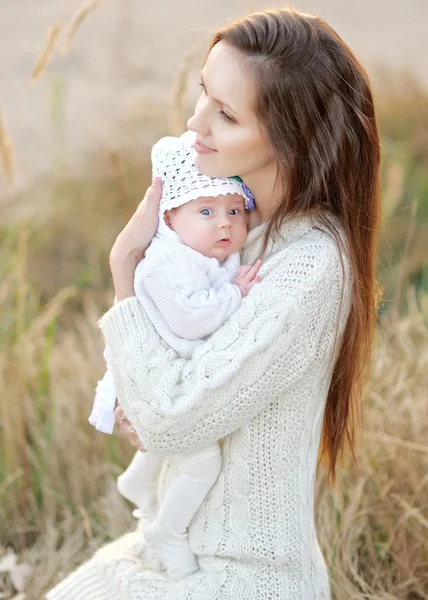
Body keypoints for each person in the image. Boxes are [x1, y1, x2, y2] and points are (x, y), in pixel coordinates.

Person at [46, 6, 381, 600]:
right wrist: (140, 404)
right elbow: (162, 406)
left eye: (225, 115)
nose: (195, 123)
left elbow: (171, 419)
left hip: (242, 574)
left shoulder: (310, 264)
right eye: (204, 92)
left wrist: (125, 271)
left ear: (289, 139)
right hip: (173, 550)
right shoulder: (231, 226)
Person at [88, 130, 262, 581]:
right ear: (168, 218)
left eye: (234, 211)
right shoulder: (165, 263)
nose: (225, 224)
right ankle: (168, 529)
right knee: (202, 461)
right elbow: (189, 320)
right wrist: (233, 293)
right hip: (150, 379)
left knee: (177, 444)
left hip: (169, 376)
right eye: (206, 211)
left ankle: (140, 477)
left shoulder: (202, 253)